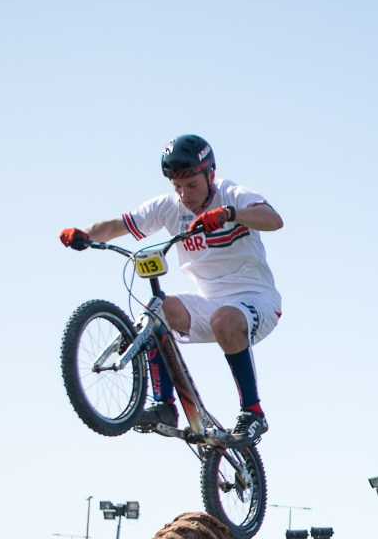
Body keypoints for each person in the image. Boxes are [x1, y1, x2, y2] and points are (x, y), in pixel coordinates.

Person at [60, 134, 285, 443]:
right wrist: (82, 234)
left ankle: (253, 412)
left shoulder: (232, 194)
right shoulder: (167, 207)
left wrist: (230, 214)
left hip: (257, 301)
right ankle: (165, 404)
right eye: (178, 187)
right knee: (157, 311)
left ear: (211, 175)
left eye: (192, 185)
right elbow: (117, 226)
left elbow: (273, 220)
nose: (185, 194)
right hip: (211, 304)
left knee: (224, 318)